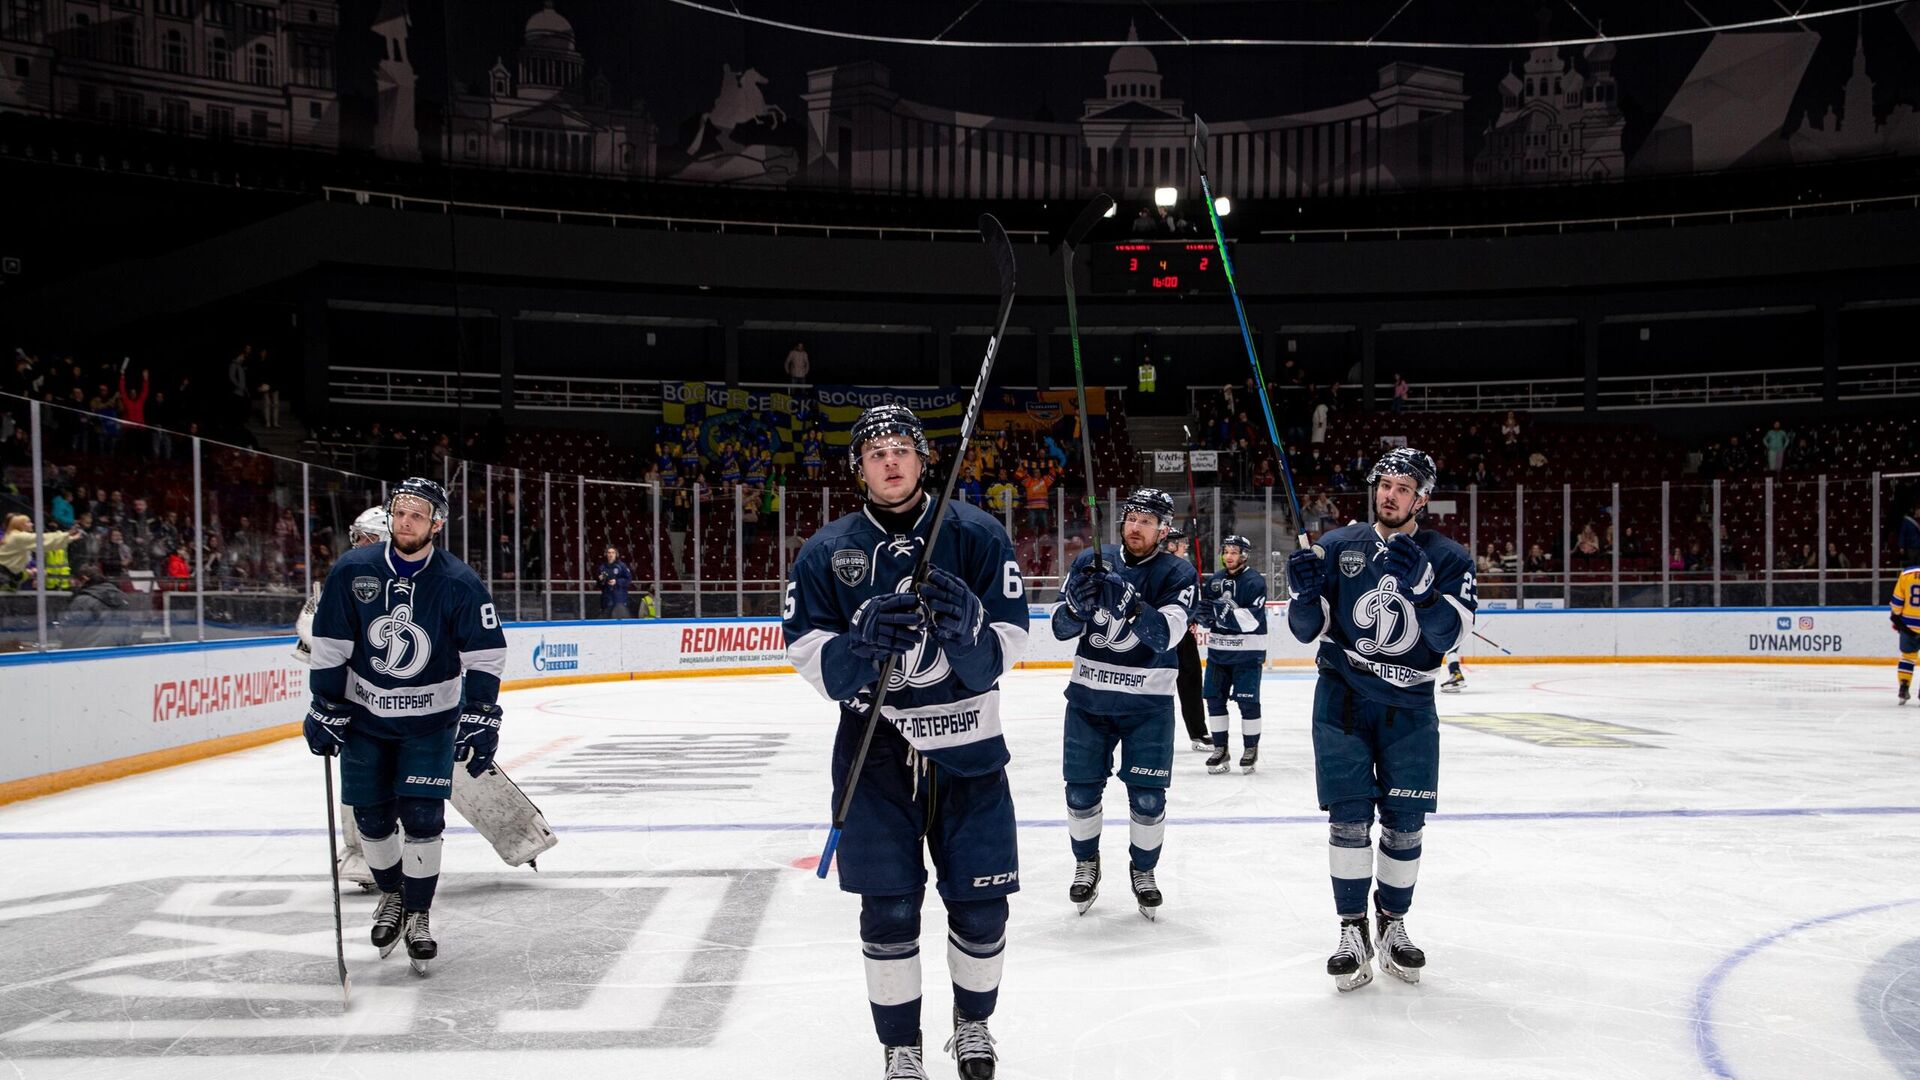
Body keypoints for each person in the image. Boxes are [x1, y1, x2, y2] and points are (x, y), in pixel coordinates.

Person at [781, 404, 1027, 1080]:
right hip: (875, 751)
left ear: (924, 460)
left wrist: (974, 634)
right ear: (858, 468)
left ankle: (972, 1027)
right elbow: (809, 656)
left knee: (982, 908)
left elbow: (1009, 646)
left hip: (970, 750)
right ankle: (902, 1047)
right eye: (874, 451)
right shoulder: (827, 551)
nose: (889, 460)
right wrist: (857, 648)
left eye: (901, 448)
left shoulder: (977, 534)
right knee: (888, 909)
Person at [1283, 447, 1475, 992]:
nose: (1390, 495)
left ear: (1422, 498)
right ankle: (1351, 929)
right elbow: (1304, 629)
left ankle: (1392, 925)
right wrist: (1302, 593)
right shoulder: (1340, 545)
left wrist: (1421, 588)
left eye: (1403, 488)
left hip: (1410, 707)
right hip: (1342, 697)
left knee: (1405, 824)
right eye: (1384, 484)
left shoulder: (1450, 557)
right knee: (1347, 818)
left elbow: (1448, 638)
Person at [301, 479, 509, 973]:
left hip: (430, 723)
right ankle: (392, 896)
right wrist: (324, 706)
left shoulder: (459, 580)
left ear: (437, 522)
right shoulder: (353, 570)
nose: (406, 521)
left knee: (422, 820)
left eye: (418, 514)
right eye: (400, 511)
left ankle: (418, 914)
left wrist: (482, 715)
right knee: (371, 821)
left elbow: (485, 655)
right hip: (365, 721)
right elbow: (330, 646)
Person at [1052, 487, 1196, 921]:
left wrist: (1130, 604)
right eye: (1132, 517)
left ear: (1164, 530)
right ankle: (1086, 863)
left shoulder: (1178, 573)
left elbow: (1166, 636)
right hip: (1088, 701)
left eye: (1147, 521)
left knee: (1148, 800)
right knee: (1079, 793)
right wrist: (1077, 607)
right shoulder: (1091, 560)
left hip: (1147, 707)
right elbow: (1059, 627)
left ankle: (1144, 870)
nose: (1136, 526)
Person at [1197, 534, 1267, 774]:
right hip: (1218, 653)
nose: (1229, 556)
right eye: (1226, 551)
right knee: (1214, 699)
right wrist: (1203, 615)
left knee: (1248, 702)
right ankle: (1220, 748)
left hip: (1247, 654)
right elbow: (1209, 618)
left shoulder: (1254, 581)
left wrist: (1218, 613)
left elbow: (1249, 621)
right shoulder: (1214, 580)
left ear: (1244, 555)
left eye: (1234, 552)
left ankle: (1251, 748)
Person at [1164, 529, 1210, 752]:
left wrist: (1194, 617)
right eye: (1181, 544)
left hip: (1183, 633)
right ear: (1170, 545)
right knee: (1156, 683)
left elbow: (1193, 600)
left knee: (1191, 681)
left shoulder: (1187, 569)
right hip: (1161, 631)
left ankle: (1198, 733)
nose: (1185, 547)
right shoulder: (1155, 567)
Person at [61, 563, 133, 648]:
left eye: (75, 581)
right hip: (117, 652)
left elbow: (69, 633)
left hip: (86, 653)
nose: (72, 584)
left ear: (84, 579)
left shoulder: (82, 601)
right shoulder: (123, 598)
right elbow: (133, 630)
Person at [1892, 558, 1920, 705]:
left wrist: (1897, 616)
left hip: (1909, 624)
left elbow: (1897, 603)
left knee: (1907, 657)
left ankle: (1903, 687)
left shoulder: (1906, 574)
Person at [597, 545, 634, 618]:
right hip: (607, 599)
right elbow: (599, 585)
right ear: (606, 554)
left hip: (619, 599)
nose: (611, 554)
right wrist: (601, 580)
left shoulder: (622, 566)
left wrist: (617, 582)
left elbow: (628, 579)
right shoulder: (602, 567)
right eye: (609, 553)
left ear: (616, 554)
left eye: (613, 553)